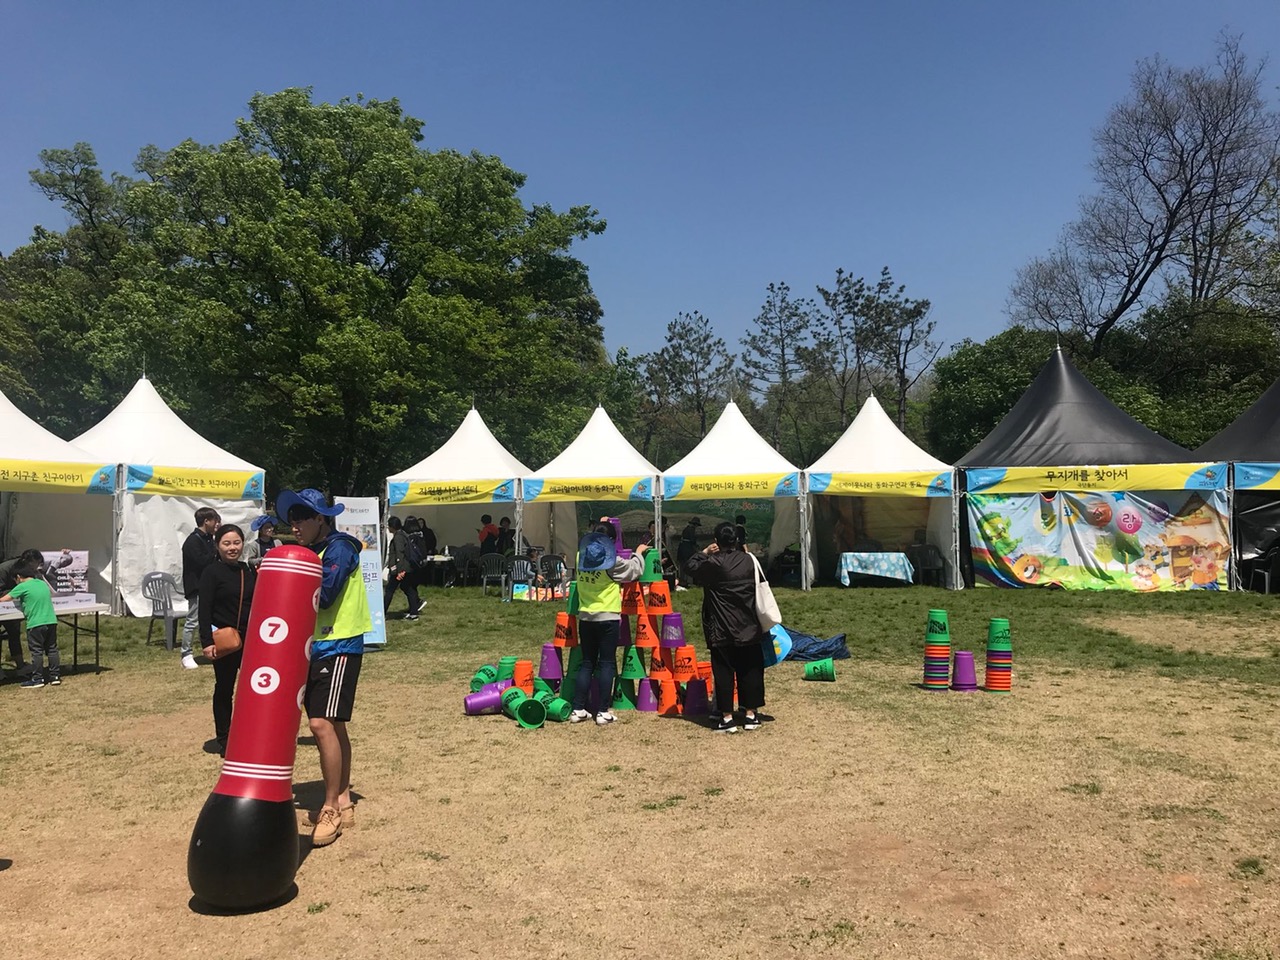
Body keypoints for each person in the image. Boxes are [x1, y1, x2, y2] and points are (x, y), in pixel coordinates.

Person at [279, 488, 371, 848]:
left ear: (321, 518)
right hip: (316, 646)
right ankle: (344, 800)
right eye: (292, 519)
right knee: (333, 725)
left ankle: (330, 807)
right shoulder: (313, 551)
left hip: (339, 645)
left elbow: (326, 593)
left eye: (302, 517)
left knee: (320, 724)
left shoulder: (339, 548)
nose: (295, 525)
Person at [685, 522, 767, 734]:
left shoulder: (714, 563)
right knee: (750, 669)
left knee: (723, 672)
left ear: (716, 541)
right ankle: (751, 714)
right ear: (737, 540)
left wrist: (703, 552)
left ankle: (727, 717)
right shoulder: (750, 560)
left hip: (722, 627)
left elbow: (689, 567)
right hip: (749, 624)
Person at [570, 521, 648, 726]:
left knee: (587, 663)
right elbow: (634, 571)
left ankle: (578, 708)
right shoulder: (611, 560)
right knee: (606, 663)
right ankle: (603, 711)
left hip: (586, 616)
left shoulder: (580, 556)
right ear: (611, 541)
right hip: (608, 616)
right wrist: (638, 553)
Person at [198, 524, 256, 756]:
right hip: (225, 640)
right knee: (224, 688)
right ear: (217, 545)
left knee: (253, 689)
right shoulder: (211, 572)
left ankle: (249, 733)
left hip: (252, 640)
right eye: (227, 543)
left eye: (236, 543)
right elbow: (204, 610)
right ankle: (225, 738)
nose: (232, 548)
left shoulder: (248, 571)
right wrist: (206, 642)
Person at [1, 561, 59, 689]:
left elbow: (4, 599)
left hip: (35, 623)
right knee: (52, 649)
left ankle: (37, 678)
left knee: (37, 652)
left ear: (18, 577)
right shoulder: (42, 584)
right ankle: (54, 676)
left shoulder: (22, 586)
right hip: (51, 621)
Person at [180, 507, 221, 670]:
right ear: (206, 521)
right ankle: (186, 654)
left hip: (211, 586)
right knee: (192, 620)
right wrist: (216, 550)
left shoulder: (210, 539)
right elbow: (202, 562)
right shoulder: (192, 541)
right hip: (196, 587)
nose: (217, 524)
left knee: (213, 619)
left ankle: (216, 647)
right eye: (215, 521)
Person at [0, 549, 46, 676]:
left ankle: (20, 666)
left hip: (14, 610)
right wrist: (18, 592)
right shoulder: (4, 568)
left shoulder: (32, 572)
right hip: (3, 605)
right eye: (34, 564)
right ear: (27, 561)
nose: (36, 568)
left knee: (14, 634)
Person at [384, 516, 422, 620]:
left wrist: (400, 571)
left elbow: (399, 554)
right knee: (408, 588)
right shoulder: (403, 534)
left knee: (390, 590)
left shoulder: (398, 537)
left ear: (393, 526)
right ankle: (414, 613)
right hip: (405, 568)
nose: (388, 528)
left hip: (400, 568)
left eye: (389, 526)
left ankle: (383, 612)